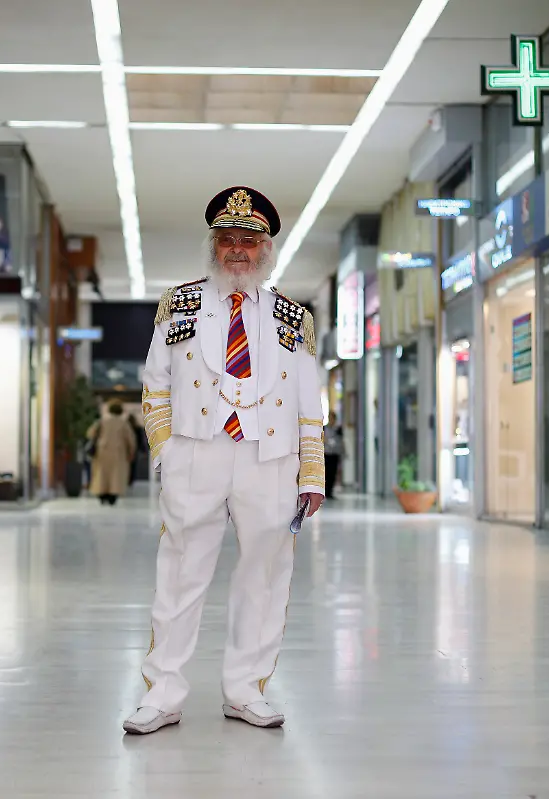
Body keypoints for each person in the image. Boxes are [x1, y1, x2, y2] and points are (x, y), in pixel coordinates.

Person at [124, 187, 325, 735]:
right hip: (197, 452)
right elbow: (155, 386)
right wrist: (166, 452)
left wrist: (311, 474)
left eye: (249, 241)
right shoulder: (180, 304)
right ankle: (162, 695)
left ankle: (246, 690)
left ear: (266, 250)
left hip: (271, 459)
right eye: (228, 239)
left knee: (264, 576)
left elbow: (309, 405)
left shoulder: (292, 317)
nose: (238, 249)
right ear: (213, 246)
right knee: (180, 574)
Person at [87, 402, 137, 506]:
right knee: (116, 474)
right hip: (118, 452)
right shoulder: (123, 423)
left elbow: (91, 433)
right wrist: (131, 451)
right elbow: (130, 439)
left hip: (102, 450)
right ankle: (113, 495)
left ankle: (101, 493)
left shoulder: (102, 420)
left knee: (101, 473)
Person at [324, 412, 344, 499]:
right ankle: (325, 492)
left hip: (335, 454)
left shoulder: (338, 429)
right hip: (326, 454)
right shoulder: (324, 428)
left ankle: (330, 492)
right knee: (326, 473)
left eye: (333, 418)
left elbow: (341, 440)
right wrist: (327, 441)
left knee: (333, 473)